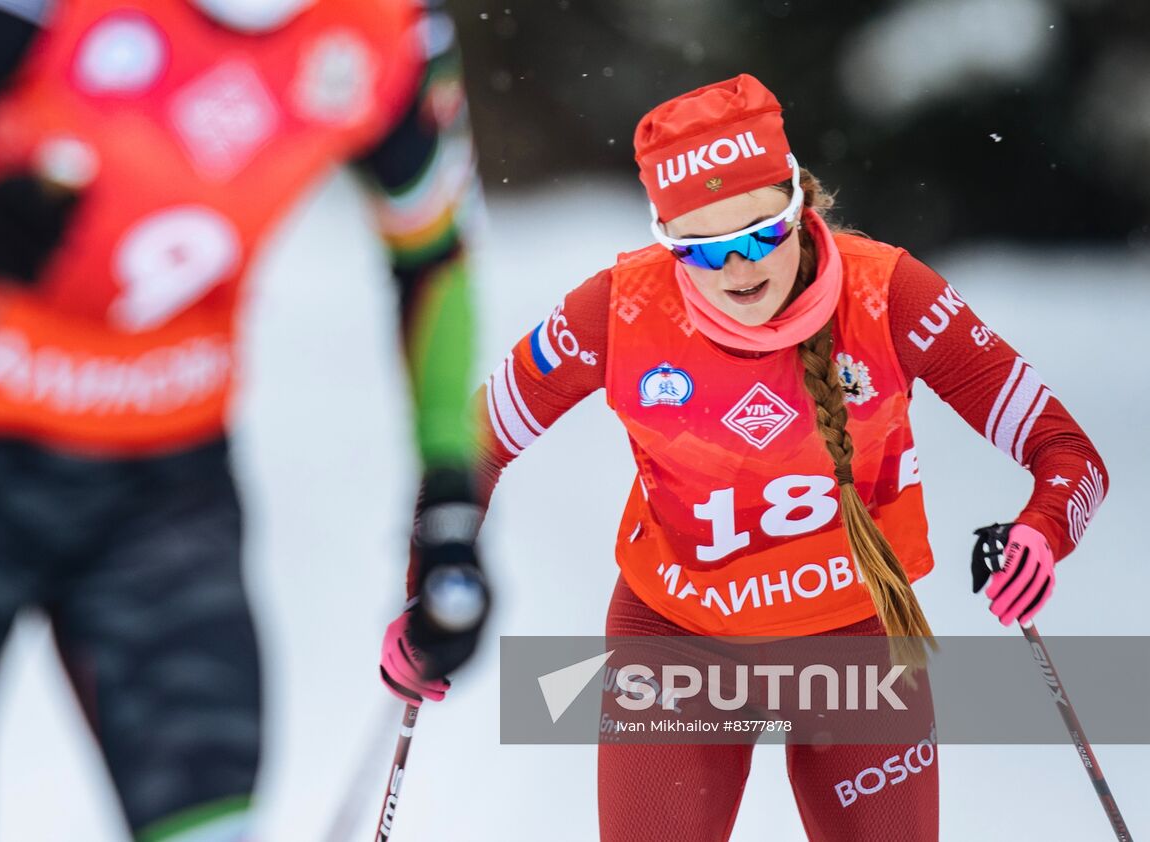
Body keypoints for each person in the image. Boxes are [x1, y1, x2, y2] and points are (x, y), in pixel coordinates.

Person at [0, 0, 489, 838]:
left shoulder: (389, 32)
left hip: (158, 481)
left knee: (209, 818)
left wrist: (450, 495)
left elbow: (436, 254)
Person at [380, 74, 1108, 840]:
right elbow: (469, 445)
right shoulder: (620, 311)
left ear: (798, 204)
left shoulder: (890, 296)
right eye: (700, 249)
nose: (737, 269)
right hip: (676, 642)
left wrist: (1040, 535)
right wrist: (427, 588)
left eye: (760, 233)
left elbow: (1068, 452)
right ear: (667, 240)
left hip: (856, 640)